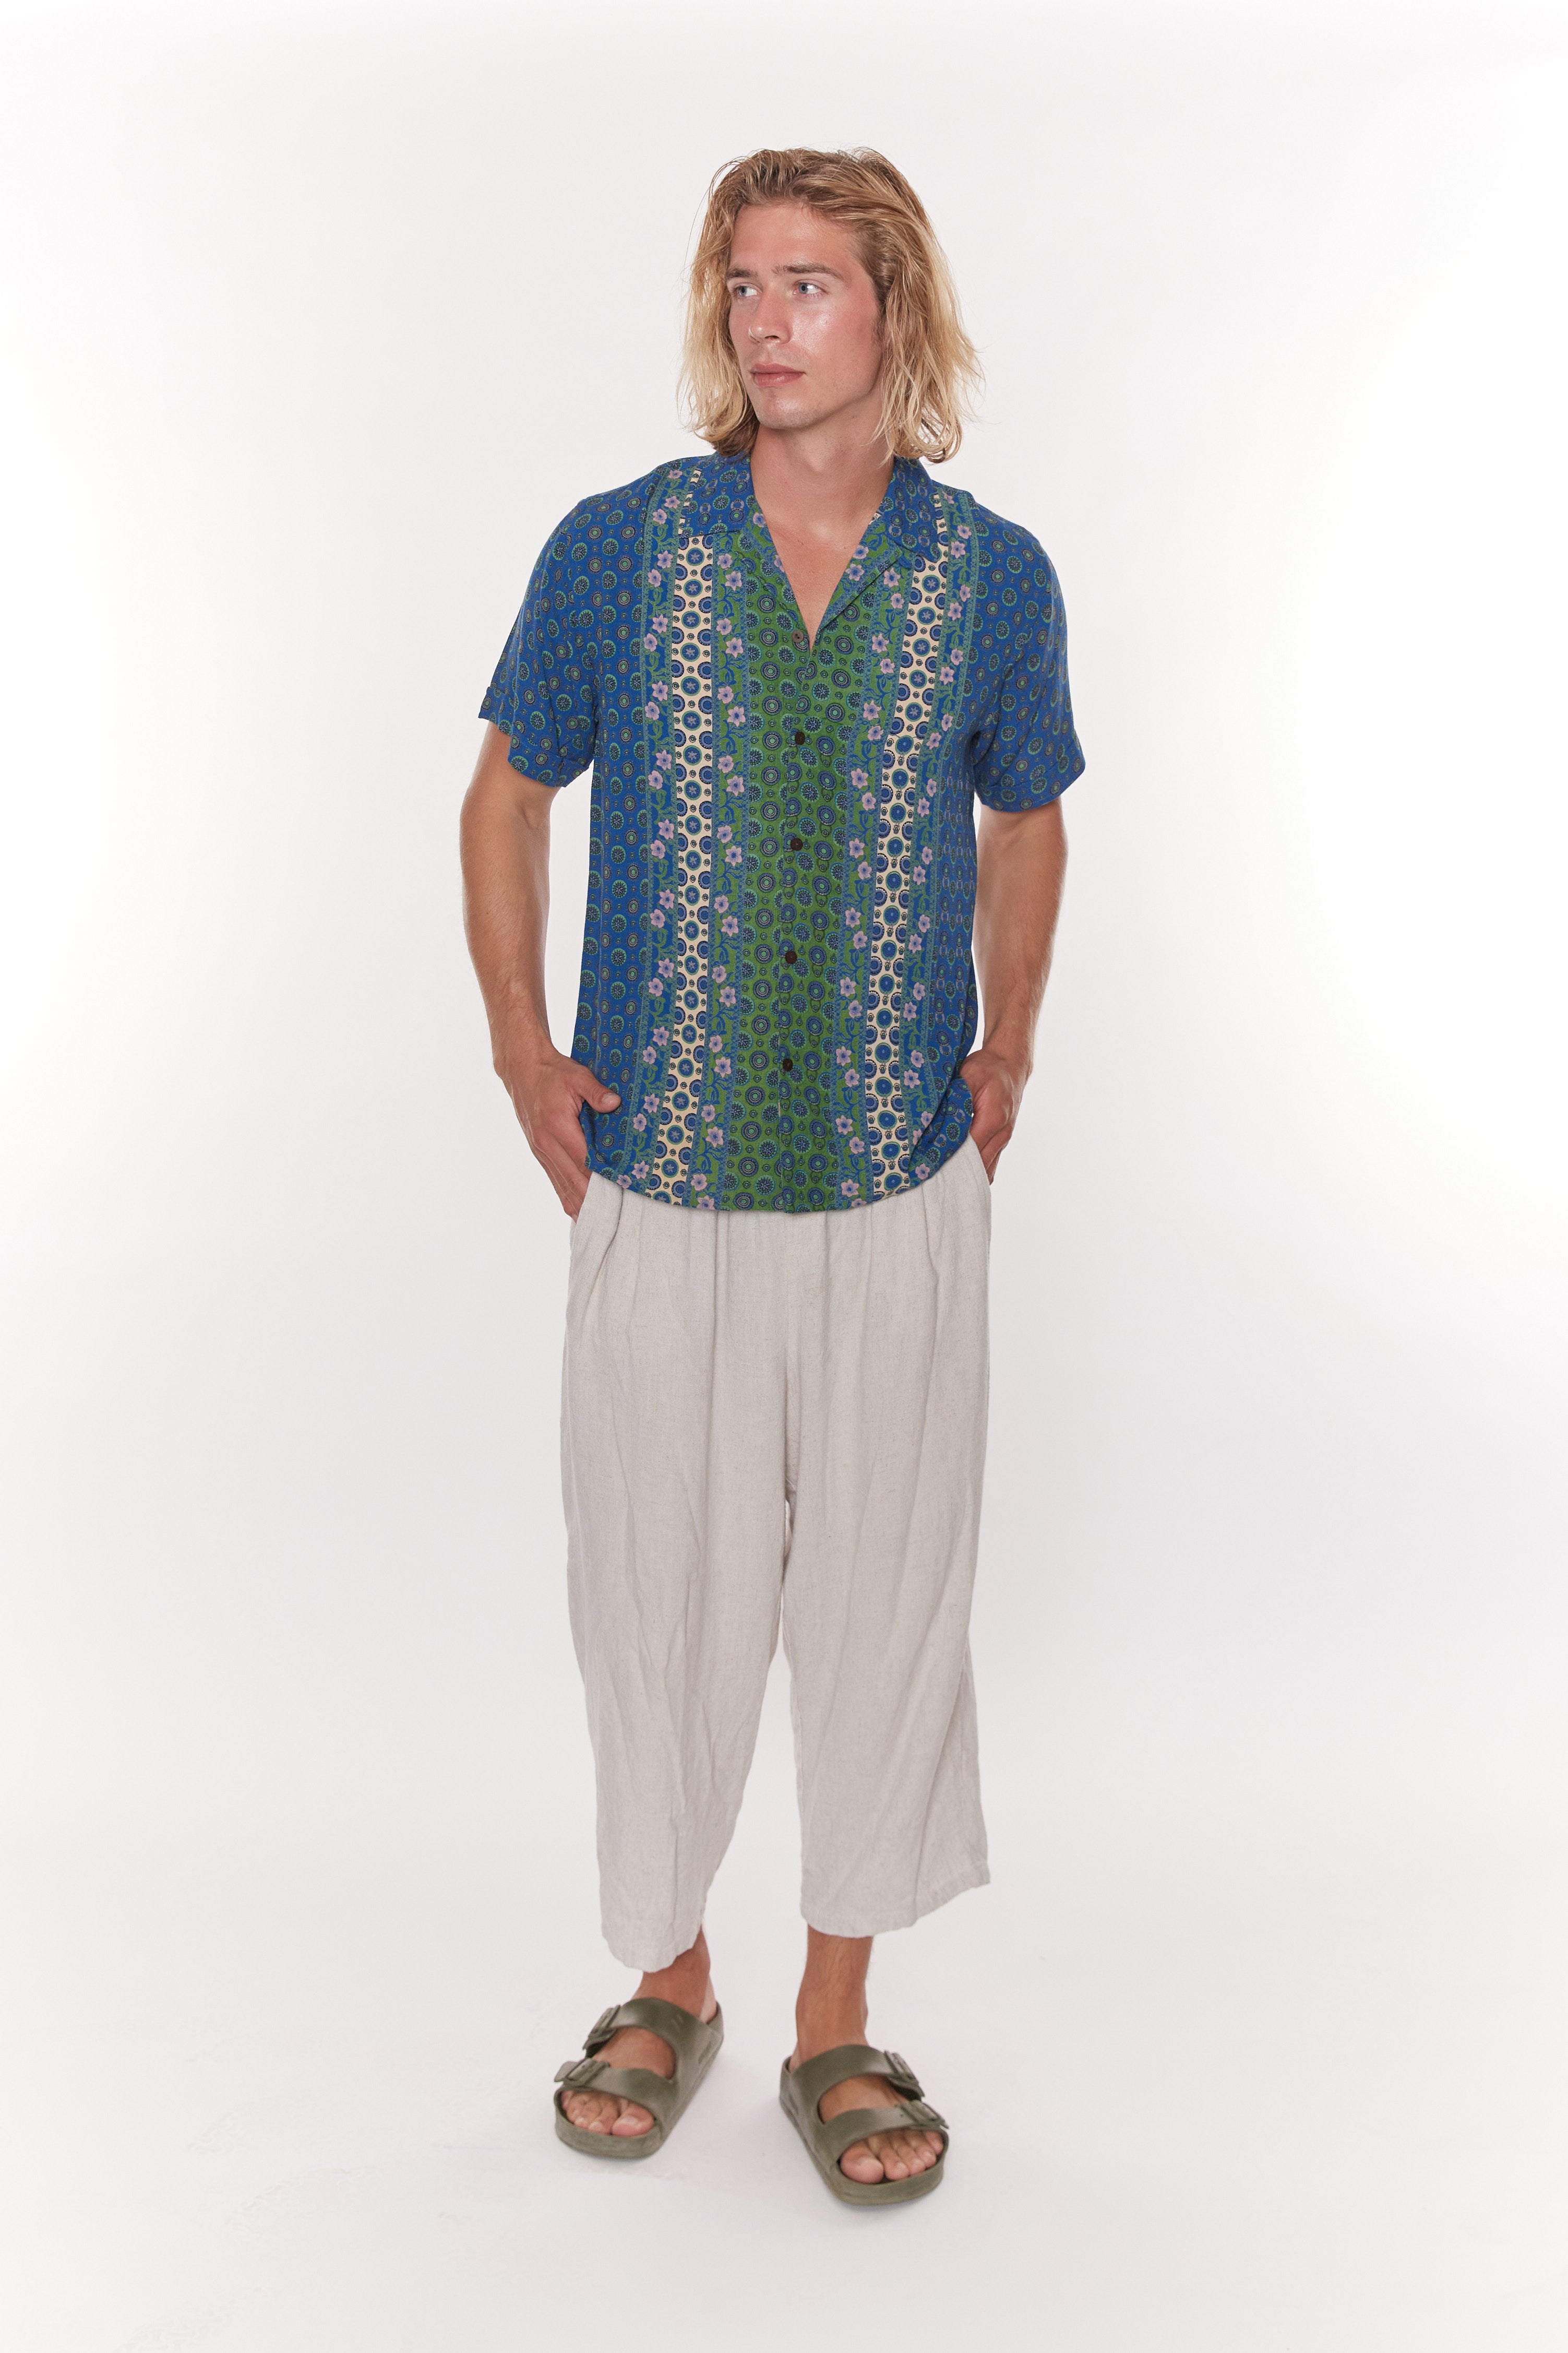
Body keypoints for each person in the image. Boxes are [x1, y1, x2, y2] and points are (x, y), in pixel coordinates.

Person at [460, 146, 1082, 2206]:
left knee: (886, 1600)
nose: (764, 320)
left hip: (899, 1178)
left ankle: (835, 2016)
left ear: (895, 305)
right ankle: (668, 1978)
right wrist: (522, 1049)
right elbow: (505, 793)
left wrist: (1008, 1041)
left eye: (806, 282)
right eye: (741, 284)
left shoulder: (991, 577)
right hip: (665, 1173)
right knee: (654, 1591)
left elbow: (1027, 817)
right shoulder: (620, 552)